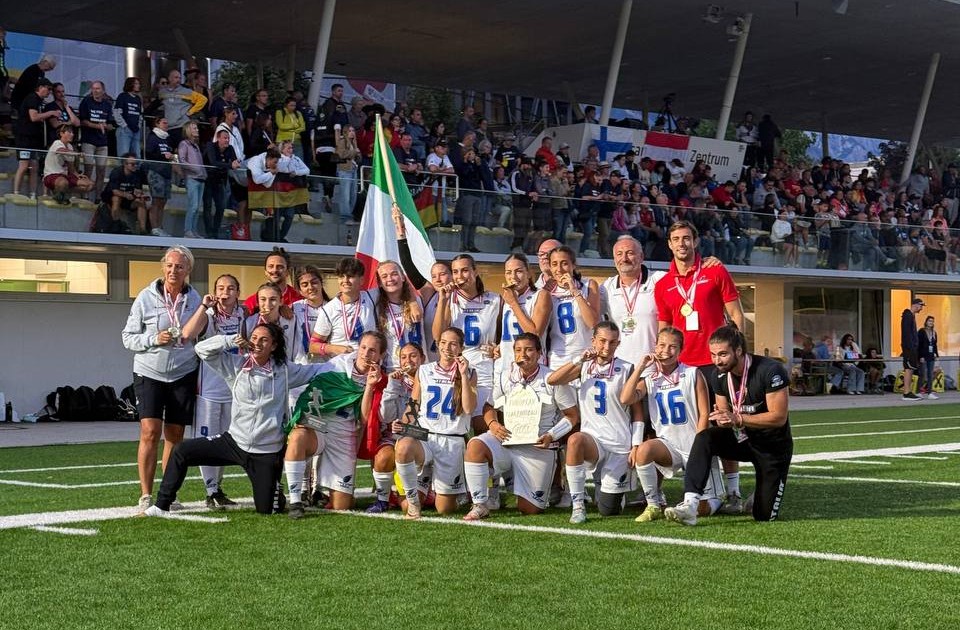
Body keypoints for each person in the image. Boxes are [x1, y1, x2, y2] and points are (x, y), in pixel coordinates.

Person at [143, 322, 328, 517]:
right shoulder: (236, 365)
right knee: (181, 451)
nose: (257, 343)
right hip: (235, 442)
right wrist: (229, 340)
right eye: (254, 338)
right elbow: (201, 349)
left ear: (273, 346)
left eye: (264, 340)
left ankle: (275, 489)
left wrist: (346, 360)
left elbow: (316, 371)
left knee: (268, 510)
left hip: (267, 451)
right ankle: (161, 505)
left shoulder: (284, 370)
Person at [654, 220, 746, 512]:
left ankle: (733, 492)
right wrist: (662, 360)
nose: (681, 244)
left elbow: (736, 314)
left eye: (686, 238)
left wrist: (739, 355)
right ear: (669, 244)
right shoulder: (663, 284)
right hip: (683, 368)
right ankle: (696, 489)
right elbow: (664, 327)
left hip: (714, 364)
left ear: (695, 241)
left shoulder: (715, 270)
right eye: (676, 239)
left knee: (723, 423)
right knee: (692, 427)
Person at [664, 325, 792, 525]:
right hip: (743, 438)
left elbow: (779, 417)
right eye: (713, 355)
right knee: (706, 437)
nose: (717, 360)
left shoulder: (770, 370)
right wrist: (721, 419)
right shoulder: (718, 375)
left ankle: (761, 494)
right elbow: (725, 416)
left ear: (738, 351)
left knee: (763, 516)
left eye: (723, 354)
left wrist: (738, 418)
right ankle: (690, 504)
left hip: (772, 446)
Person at [463, 333, 579, 520]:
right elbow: (489, 407)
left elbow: (572, 416)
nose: (522, 354)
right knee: (475, 445)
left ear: (540, 353)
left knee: (529, 509)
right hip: (508, 441)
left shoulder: (552, 378)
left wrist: (551, 435)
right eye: (518, 350)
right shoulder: (505, 376)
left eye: (529, 350)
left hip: (537, 447)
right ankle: (480, 504)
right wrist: (493, 424)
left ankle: (516, 482)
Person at [121, 246, 202, 512]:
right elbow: (128, 338)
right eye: (169, 265)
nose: (173, 270)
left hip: (183, 371)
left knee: (175, 435)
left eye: (179, 266)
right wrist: (153, 339)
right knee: (150, 431)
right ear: (162, 267)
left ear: (188, 270)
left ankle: (168, 494)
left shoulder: (195, 299)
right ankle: (146, 494)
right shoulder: (145, 297)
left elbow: (201, 334)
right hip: (149, 371)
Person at [621, 327, 722, 522]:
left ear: (681, 350)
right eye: (661, 345)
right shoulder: (649, 379)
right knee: (644, 450)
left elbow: (704, 413)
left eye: (672, 346)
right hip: (669, 444)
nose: (666, 350)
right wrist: (640, 367)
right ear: (655, 347)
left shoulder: (692, 373)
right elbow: (625, 398)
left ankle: (718, 500)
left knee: (702, 509)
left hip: (694, 442)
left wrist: (700, 445)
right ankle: (653, 504)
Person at [283, 331, 387, 517]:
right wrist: (303, 418)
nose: (366, 354)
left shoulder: (380, 379)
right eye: (363, 347)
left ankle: (330, 491)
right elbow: (310, 393)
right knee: (298, 436)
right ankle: (296, 501)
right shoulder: (335, 366)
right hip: (318, 427)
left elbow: (363, 419)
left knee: (342, 506)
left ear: (381, 355)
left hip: (343, 433)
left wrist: (370, 386)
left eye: (372, 350)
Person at [547, 322, 640, 523]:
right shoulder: (584, 366)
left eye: (612, 342)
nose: (606, 347)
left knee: (608, 510)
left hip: (619, 445)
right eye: (602, 341)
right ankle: (578, 506)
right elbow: (553, 380)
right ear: (593, 341)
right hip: (593, 441)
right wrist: (578, 359)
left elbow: (637, 412)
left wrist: (636, 445)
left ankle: (608, 490)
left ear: (618, 343)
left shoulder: (627, 368)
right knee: (575, 440)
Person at [178, 273, 246, 508]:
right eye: (221, 288)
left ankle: (218, 489)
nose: (225, 292)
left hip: (235, 388)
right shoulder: (209, 315)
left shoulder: (245, 314)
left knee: (226, 440)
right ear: (215, 292)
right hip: (209, 390)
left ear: (238, 292)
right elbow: (187, 334)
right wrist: (204, 307)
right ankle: (210, 490)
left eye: (230, 288)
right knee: (207, 440)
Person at [395, 327, 477, 519]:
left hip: (452, 440)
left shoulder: (470, 372)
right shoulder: (424, 370)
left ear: (461, 348)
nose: (447, 347)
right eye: (443, 343)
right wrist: (402, 423)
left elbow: (468, 408)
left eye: (453, 344)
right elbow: (414, 404)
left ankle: (451, 489)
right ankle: (414, 501)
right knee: (403, 447)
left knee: (444, 509)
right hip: (425, 435)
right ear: (438, 345)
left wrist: (463, 375)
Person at [431, 254, 501, 432]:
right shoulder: (448, 299)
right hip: (456, 368)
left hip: (484, 367)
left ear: (475, 271)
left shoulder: (494, 300)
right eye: (455, 272)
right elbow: (438, 336)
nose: (459, 276)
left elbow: (503, 334)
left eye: (464, 270)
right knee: (455, 424)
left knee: (482, 424)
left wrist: (499, 348)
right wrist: (443, 300)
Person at [362, 341, 425, 513]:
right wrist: (393, 385)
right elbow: (386, 417)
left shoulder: (430, 379)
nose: (408, 361)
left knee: (418, 505)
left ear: (423, 358)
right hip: (396, 438)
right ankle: (383, 500)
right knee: (383, 456)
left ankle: (427, 490)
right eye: (403, 357)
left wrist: (408, 429)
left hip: (423, 439)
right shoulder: (395, 381)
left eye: (413, 356)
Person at [600, 236, 666, 366]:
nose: (624, 258)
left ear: (641, 257)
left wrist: (704, 263)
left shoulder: (659, 279)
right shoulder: (606, 287)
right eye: (619, 254)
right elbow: (591, 318)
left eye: (630, 253)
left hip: (653, 365)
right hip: (619, 367)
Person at [545, 246, 601, 369]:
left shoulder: (588, 285)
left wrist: (575, 291)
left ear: (573, 265)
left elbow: (593, 323)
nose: (559, 269)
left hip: (586, 354)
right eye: (554, 264)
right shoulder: (546, 292)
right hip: (558, 358)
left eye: (564, 263)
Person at [310, 257, 377, 358]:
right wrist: (334, 348)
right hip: (340, 365)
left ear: (361, 280)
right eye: (341, 276)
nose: (345, 280)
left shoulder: (371, 297)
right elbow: (313, 346)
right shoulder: (329, 309)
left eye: (350, 276)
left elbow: (396, 286)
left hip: (367, 362)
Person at [496, 254, 550, 379]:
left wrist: (514, 303)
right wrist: (497, 347)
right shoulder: (506, 297)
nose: (513, 277)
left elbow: (535, 334)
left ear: (529, 273)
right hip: (505, 366)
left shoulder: (540, 295)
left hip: (531, 366)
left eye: (519, 271)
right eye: (508, 272)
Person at [13, 78, 56, 198]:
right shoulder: (32, 98)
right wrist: (50, 113)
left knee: (34, 167)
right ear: (41, 87)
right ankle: (16, 192)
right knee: (24, 166)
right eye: (48, 89)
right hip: (25, 138)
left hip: (34, 139)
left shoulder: (40, 101)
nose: (49, 92)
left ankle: (32, 194)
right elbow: (34, 117)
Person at [78, 80, 115, 194]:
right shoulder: (86, 102)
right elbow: (82, 121)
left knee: (101, 171)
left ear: (103, 91)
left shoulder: (107, 105)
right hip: (88, 140)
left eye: (98, 88)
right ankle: (85, 195)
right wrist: (98, 126)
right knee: (88, 169)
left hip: (102, 142)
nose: (95, 91)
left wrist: (106, 126)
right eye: (93, 88)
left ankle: (98, 197)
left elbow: (110, 124)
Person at [42, 125, 93, 205]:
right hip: (52, 175)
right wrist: (76, 153)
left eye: (72, 132)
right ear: (61, 133)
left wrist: (77, 175)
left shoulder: (70, 146)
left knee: (89, 185)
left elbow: (71, 167)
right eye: (69, 132)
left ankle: (61, 191)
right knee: (63, 182)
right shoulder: (57, 143)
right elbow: (61, 150)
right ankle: (60, 195)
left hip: (65, 176)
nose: (72, 134)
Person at [101, 152, 147, 229]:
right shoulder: (116, 172)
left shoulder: (137, 174)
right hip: (111, 198)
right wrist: (126, 195)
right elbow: (114, 191)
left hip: (129, 199)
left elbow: (138, 189)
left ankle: (143, 229)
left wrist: (139, 195)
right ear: (125, 164)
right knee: (116, 198)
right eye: (132, 164)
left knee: (141, 202)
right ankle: (115, 224)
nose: (135, 166)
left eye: (136, 164)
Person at [177, 121, 206, 238]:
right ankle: (188, 230)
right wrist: (196, 169)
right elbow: (182, 161)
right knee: (193, 206)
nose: (197, 130)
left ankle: (194, 230)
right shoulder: (184, 144)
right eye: (194, 128)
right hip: (192, 178)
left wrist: (203, 172)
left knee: (197, 207)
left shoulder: (196, 145)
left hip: (200, 178)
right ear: (188, 130)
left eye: (197, 128)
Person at [113, 77, 143, 158]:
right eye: (136, 83)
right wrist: (124, 126)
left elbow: (140, 115)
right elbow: (116, 113)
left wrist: (138, 126)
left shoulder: (138, 99)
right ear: (130, 84)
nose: (138, 85)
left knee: (137, 156)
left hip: (136, 131)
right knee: (124, 155)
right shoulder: (122, 96)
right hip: (124, 131)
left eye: (138, 84)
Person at [901, 298, 923, 401]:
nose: (921, 308)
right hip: (909, 348)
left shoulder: (911, 316)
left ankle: (908, 391)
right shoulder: (908, 316)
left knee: (910, 369)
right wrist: (910, 347)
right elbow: (906, 333)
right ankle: (906, 393)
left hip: (911, 347)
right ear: (915, 305)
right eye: (920, 306)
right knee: (908, 369)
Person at [917, 315, 939, 399]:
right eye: (929, 321)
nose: (931, 322)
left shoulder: (934, 333)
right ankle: (918, 391)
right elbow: (919, 345)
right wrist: (920, 356)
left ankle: (930, 392)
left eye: (932, 321)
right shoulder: (921, 331)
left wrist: (936, 355)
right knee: (922, 374)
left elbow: (935, 345)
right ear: (926, 322)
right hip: (923, 356)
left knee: (930, 374)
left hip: (931, 356)